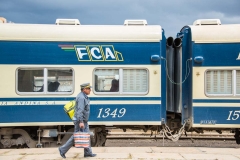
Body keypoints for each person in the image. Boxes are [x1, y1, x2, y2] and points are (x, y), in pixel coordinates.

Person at [59, 83, 97, 158]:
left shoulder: (84, 96)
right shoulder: (81, 98)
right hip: (80, 120)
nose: (90, 90)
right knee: (76, 136)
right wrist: (81, 122)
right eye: (89, 89)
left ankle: (88, 152)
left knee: (86, 135)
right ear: (84, 89)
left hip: (84, 120)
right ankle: (62, 150)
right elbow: (80, 111)